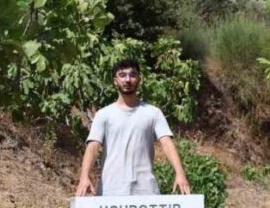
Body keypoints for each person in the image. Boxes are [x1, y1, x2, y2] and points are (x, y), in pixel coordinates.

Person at [75, 58, 192, 197]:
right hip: (111, 189)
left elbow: (166, 143)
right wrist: (84, 177)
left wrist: (180, 174)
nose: (127, 80)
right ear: (115, 80)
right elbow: (93, 146)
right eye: (122, 75)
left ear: (139, 79)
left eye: (132, 75)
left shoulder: (153, 113)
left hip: (145, 189)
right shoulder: (104, 115)